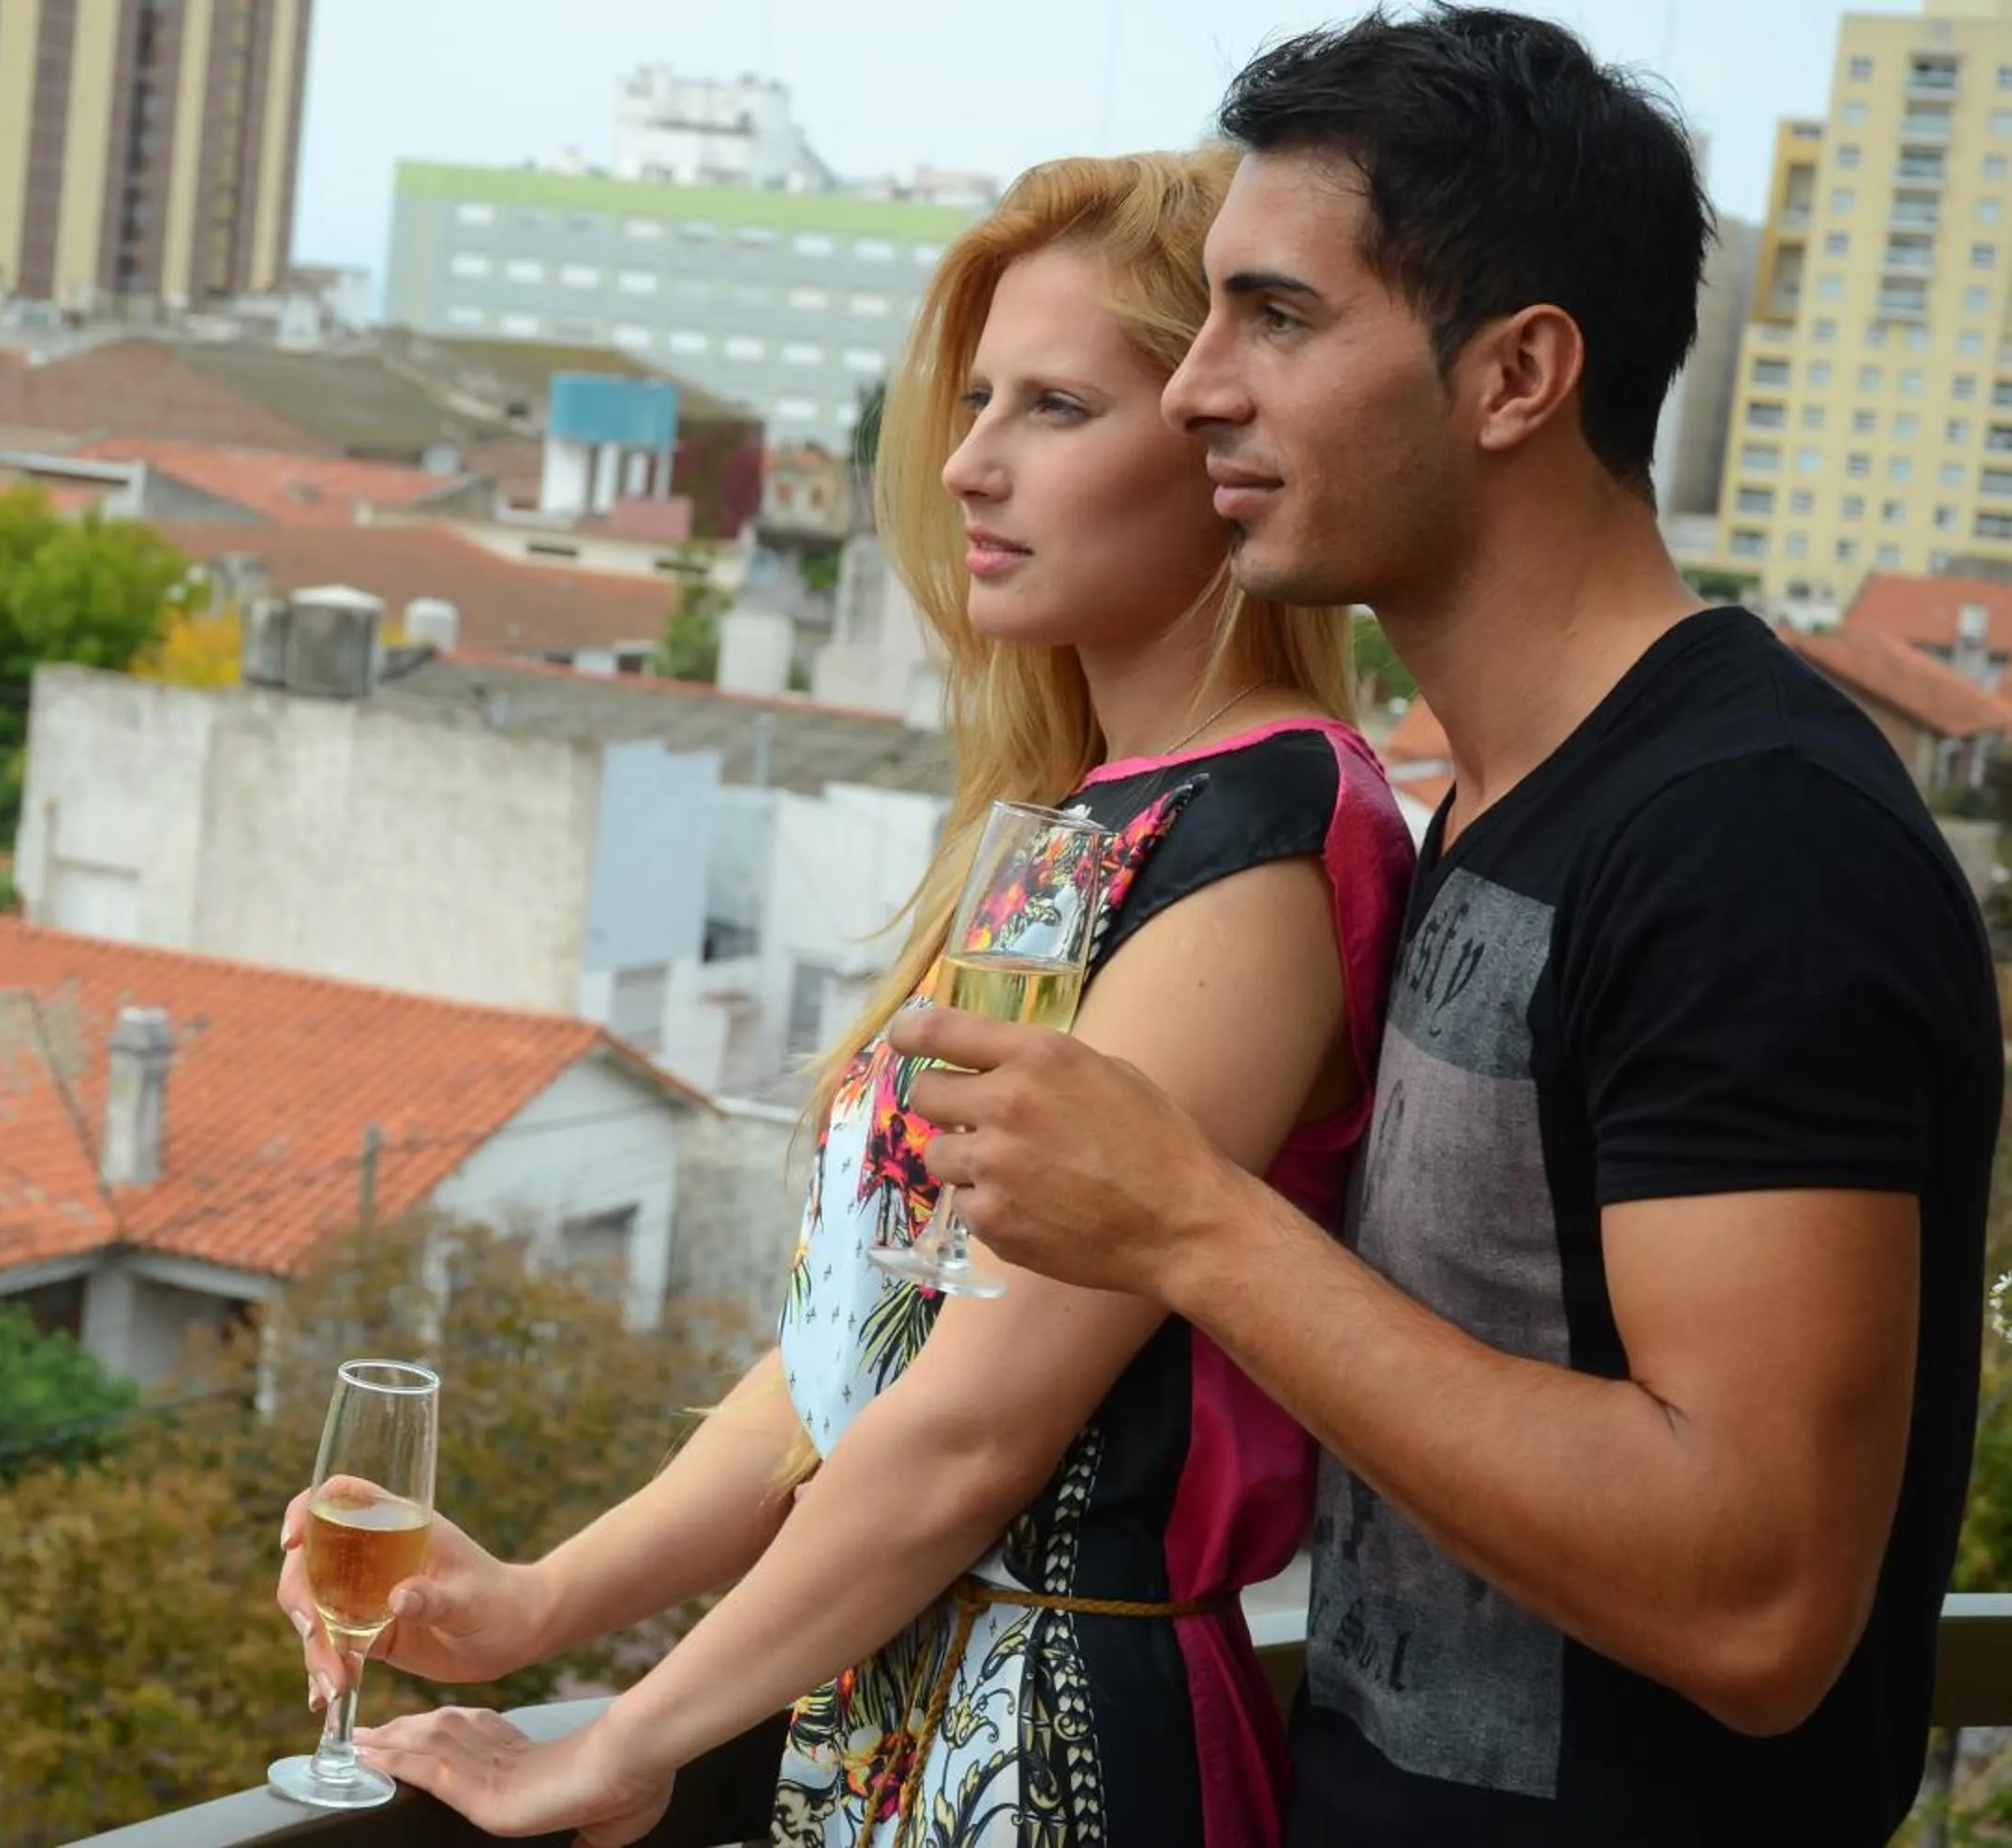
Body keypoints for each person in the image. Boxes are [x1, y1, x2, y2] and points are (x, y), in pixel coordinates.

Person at [883, 11, 2001, 1847]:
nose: (1197, 390)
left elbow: (1757, 1598)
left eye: (1279, 318)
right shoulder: (1498, 804)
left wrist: (1192, 1223)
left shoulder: (1755, 845)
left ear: (1517, 375)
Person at [282, 147, 1416, 1848]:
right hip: (887, 1734)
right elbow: (863, 1358)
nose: (968, 463)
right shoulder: (1087, 825)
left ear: (1220, 437)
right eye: (975, 401)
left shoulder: (1257, 840)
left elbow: (974, 1432)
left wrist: (619, 1744)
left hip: (1054, 1768)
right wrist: (535, 1605)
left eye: (1055, 406)